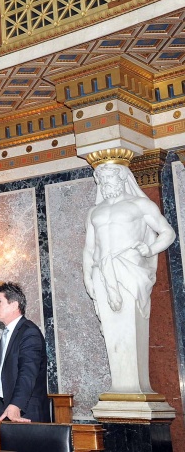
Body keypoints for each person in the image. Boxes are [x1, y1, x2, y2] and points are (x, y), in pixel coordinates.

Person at [83, 161, 175, 396]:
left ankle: (136, 388)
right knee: (112, 328)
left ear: (123, 179)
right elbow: (89, 247)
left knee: (130, 326)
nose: (106, 184)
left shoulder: (140, 204)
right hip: (102, 271)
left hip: (130, 266)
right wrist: (87, 277)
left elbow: (168, 232)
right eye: (102, 180)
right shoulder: (95, 211)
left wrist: (150, 249)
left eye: (110, 178)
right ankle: (121, 388)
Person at [0, 282, 49, 422]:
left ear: (14, 305)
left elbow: (28, 372)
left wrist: (16, 405)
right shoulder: (9, 332)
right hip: (6, 406)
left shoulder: (29, 332)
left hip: (24, 409)